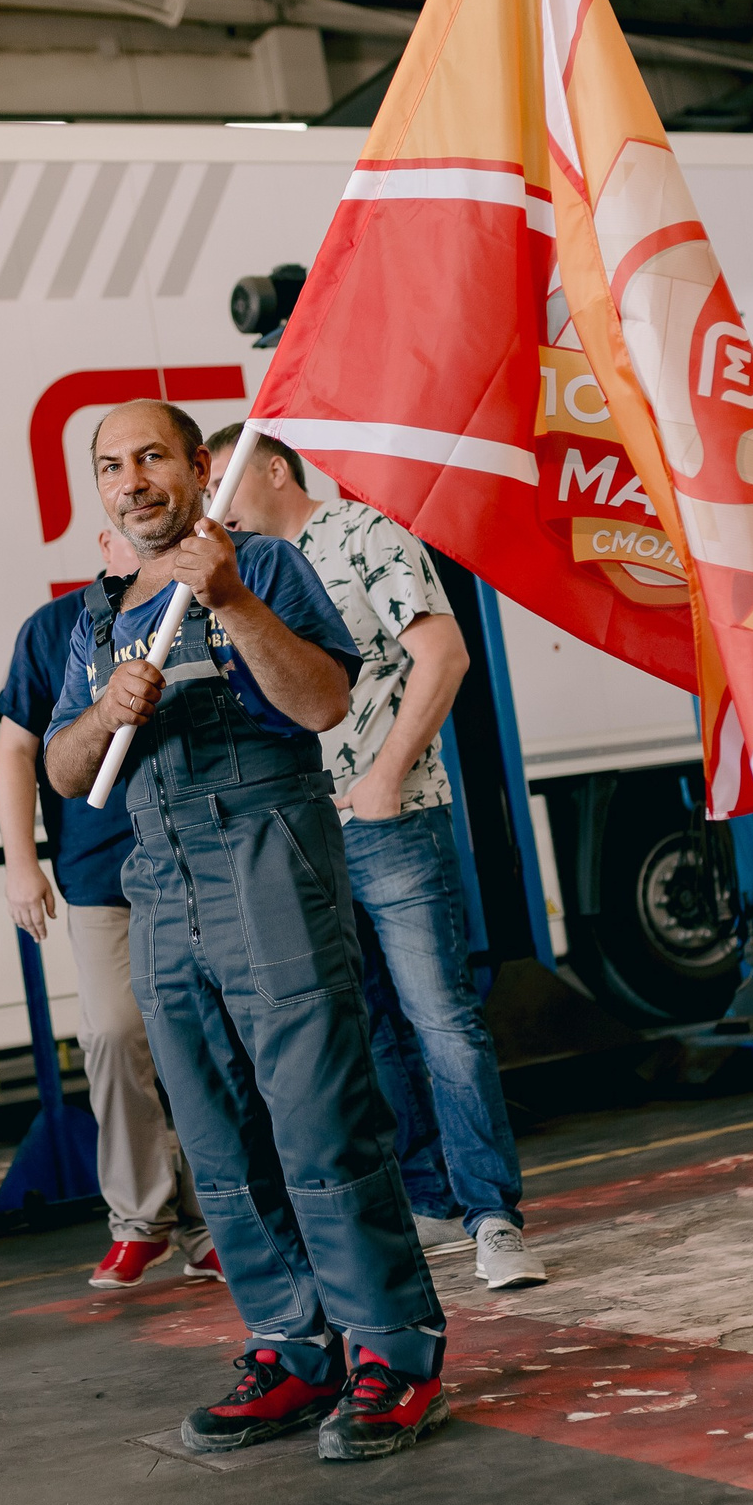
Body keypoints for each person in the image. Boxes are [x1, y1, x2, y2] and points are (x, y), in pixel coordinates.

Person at [44, 400, 450, 1464]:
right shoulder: (89, 617)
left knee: (318, 1118)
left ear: (196, 468)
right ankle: (291, 1345)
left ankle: (390, 1350)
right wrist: (104, 713)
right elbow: (62, 770)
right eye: (109, 465)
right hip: (158, 883)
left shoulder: (263, 567)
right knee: (217, 1139)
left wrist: (224, 596)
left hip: (265, 856)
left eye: (150, 458)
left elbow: (321, 702)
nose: (131, 479)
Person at [208, 426, 548, 1292]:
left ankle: (494, 1217)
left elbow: (445, 652)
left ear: (275, 470)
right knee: (370, 1028)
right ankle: (433, 1198)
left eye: (223, 482)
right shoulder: (244, 577)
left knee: (440, 1020)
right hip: (303, 834)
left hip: (390, 820)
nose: (216, 503)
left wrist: (388, 774)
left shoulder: (366, 536)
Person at [0, 530, 218, 1290]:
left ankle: (211, 1224)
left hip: (204, 857)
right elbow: (17, 751)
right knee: (116, 1037)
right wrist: (21, 863)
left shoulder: (208, 604)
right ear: (102, 539)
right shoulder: (55, 626)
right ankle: (139, 1220)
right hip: (101, 873)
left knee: (205, 1043)